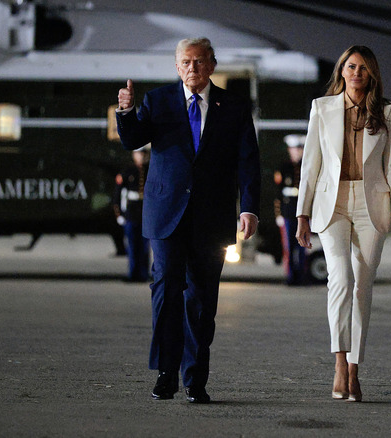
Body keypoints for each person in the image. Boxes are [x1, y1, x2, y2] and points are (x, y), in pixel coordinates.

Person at [115, 37, 261, 404]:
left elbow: (248, 161)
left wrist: (249, 207)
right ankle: (166, 373)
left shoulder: (234, 106)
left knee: (201, 300)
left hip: (212, 219)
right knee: (165, 291)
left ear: (212, 65)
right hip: (166, 216)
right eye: (185, 62)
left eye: (198, 62)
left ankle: (195, 379)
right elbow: (133, 140)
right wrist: (127, 113)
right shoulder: (158, 100)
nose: (191, 69)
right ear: (176, 66)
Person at [295, 45, 391, 403]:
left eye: (363, 68)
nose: (356, 72)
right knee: (340, 279)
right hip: (332, 202)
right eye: (350, 66)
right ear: (341, 71)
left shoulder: (387, 112)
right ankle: (339, 363)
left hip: (373, 204)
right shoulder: (322, 108)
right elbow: (310, 165)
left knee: (362, 287)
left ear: (371, 74)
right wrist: (302, 213)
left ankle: (356, 370)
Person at [273, 134, 308, 285]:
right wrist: (278, 214)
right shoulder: (284, 167)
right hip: (288, 212)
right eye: (294, 149)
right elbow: (277, 193)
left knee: (303, 247)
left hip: (303, 213)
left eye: (299, 149)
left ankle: (301, 276)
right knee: (289, 247)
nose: (296, 152)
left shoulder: (306, 167)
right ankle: (290, 276)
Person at [113, 149, 151, 282]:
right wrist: (119, 214)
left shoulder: (150, 170)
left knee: (144, 248)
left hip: (146, 215)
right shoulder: (127, 171)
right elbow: (118, 194)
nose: (142, 156)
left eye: (144, 154)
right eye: (139, 154)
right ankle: (133, 274)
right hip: (131, 214)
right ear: (134, 155)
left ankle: (143, 274)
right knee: (132, 247)